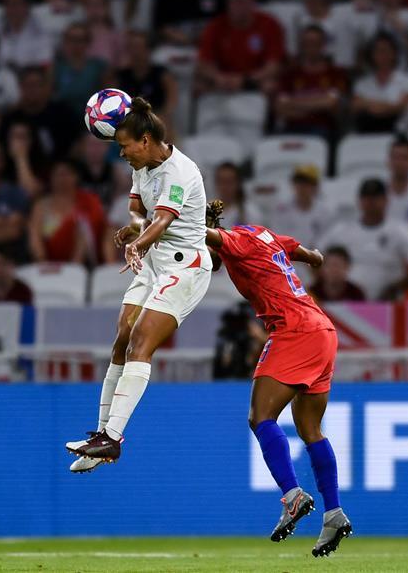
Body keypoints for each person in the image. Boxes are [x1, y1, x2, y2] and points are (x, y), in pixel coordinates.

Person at [65, 98, 213, 473]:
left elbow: (161, 220)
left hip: (185, 267)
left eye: (124, 146)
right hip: (154, 262)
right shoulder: (143, 166)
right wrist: (135, 225)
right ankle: (99, 435)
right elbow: (138, 207)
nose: (122, 153)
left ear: (145, 140)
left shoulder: (180, 171)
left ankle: (112, 439)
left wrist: (138, 241)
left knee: (140, 342)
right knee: (121, 336)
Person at [203, 200, 353, 557]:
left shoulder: (234, 241)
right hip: (323, 329)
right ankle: (333, 513)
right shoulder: (264, 234)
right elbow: (305, 252)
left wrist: (150, 228)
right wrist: (315, 257)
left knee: (260, 417)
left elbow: (197, 234)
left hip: (293, 330)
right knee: (310, 430)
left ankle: (292, 495)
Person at [319, 178, 408, 300]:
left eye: (375, 197)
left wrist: (397, 287)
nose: (370, 202)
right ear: (359, 201)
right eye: (366, 198)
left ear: (386, 201)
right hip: (349, 301)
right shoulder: (343, 230)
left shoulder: (400, 231)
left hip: (388, 301)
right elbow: (314, 256)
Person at [197, 0, 285, 96]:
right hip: (224, 82)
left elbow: (274, 66)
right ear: (227, 4)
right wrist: (219, 78)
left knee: (270, 85)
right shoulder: (214, 27)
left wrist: (245, 80)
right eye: (233, 1)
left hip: (254, 81)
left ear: (253, 1)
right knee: (199, 85)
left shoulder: (269, 24)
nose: (238, 5)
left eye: (242, 0)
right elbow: (204, 64)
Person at [27, 159, 111, 265]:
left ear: (76, 177)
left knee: (82, 227)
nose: (62, 178)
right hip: (47, 264)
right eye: (58, 174)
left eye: (66, 174)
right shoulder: (40, 206)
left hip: (81, 265)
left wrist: (74, 265)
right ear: (51, 177)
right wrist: (42, 261)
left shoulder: (88, 202)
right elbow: (35, 236)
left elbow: (94, 232)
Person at [0, 66, 80, 171]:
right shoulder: (10, 119)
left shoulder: (63, 113)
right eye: (28, 85)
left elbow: (78, 142)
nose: (33, 90)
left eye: (37, 85)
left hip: (61, 174)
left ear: (46, 88)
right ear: (20, 88)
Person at [274, 25, 348, 139]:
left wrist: (293, 103)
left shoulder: (335, 73)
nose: (311, 47)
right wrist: (317, 107)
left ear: (323, 45)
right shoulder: (290, 74)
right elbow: (280, 108)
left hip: (323, 130)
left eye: (315, 43)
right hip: (291, 130)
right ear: (301, 45)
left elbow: (331, 103)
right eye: (307, 43)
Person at [117, 31, 178, 136]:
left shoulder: (161, 73)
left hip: (156, 118)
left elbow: (172, 99)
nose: (135, 51)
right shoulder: (121, 76)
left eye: (138, 47)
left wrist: (163, 113)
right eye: (131, 47)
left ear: (148, 50)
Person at [352, 33, 408, 133]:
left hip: (398, 130)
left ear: (394, 53)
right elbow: (355, 106)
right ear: (372, 55)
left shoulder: (407, 80)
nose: (382, 54)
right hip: (368, 131)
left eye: (385, 50)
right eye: (378, 51)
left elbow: (401, 107)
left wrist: (368, 104)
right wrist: (387, 106)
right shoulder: (362, 83)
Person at [270, 164, 335, 248]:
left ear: (315, 187)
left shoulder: (325, 212)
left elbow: (326, 240)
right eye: (298, 183)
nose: (302, 188)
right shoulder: (281, 210)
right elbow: (277, 238)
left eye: (306, 184)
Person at [53, 22, 110, 117]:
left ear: (87, 42)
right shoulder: (57, 68)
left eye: (80, 40)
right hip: (63, 118)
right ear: (65, 41)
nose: (75, 44)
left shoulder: (98, 66)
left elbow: (107, 98)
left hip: (92, 118)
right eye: (71, 39)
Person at [154, 0, 224, 46]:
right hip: (176, 46)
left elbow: (224, 19)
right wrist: (182, 38)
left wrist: (208, 36)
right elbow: (161, 26)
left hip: (212, 44)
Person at [0, 0, 54, 70]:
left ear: (26, 6)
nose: (12, 8)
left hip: (32, 77)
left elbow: (46, 63)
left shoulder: (41, 32)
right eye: (8, 3)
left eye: (16, 3)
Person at [212, 162, 265, 227]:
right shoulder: (207, 211)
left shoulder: (251, 213)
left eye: (229, 182)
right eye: (221, 181)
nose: (225, 186)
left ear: (238, 183)